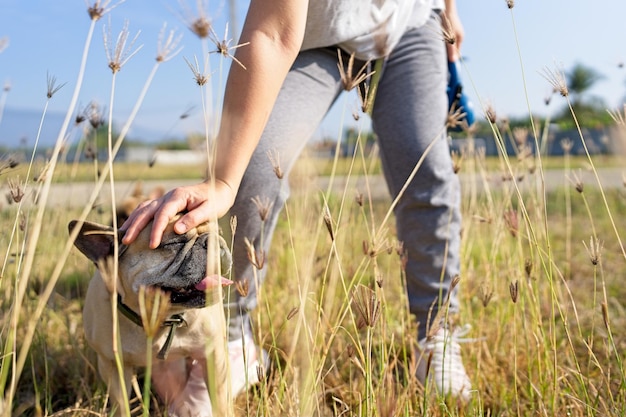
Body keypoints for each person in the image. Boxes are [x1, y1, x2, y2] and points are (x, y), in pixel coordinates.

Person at [121, 0, 472, 401]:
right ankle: (235, 342)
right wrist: (222, 181)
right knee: (253, 165)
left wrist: (449, 9)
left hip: (410, 24)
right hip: (315, 38)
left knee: (425, 164)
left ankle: (436, 334)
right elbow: (270, 33)